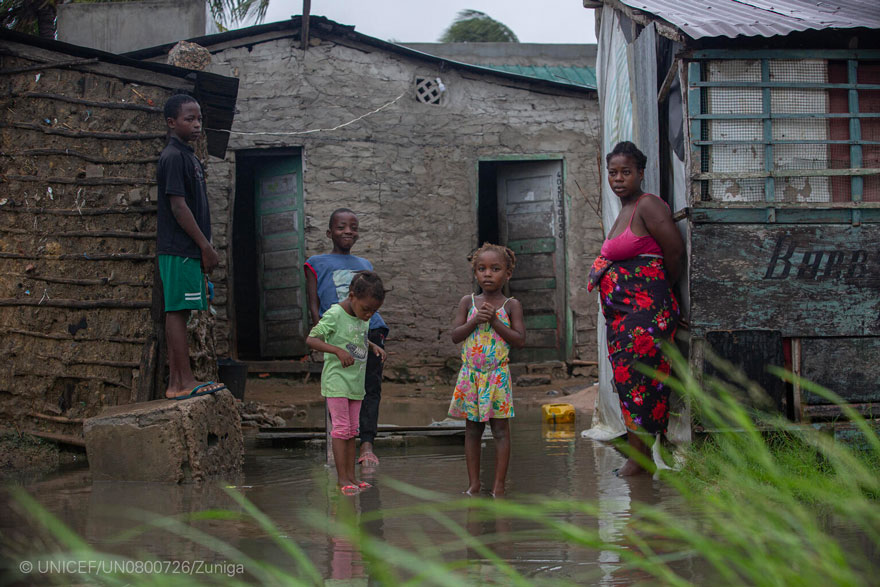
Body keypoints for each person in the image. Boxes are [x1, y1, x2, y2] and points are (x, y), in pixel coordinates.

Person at [587, 141, 684, 476]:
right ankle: (639, 454)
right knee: (628, 381)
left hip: (644, 316)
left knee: (641, 381)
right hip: (623, 318)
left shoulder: (648, 206)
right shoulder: (623, 211)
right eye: (613, 173)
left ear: (641, 173)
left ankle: (640, 459)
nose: (618, 179)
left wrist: (656, 295)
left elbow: (674, 253)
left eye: (626, 172)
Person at [305, 208, 389, 468]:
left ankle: (366, 444)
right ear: (330, 232)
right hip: (339, 333)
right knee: (338, 389)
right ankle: (337, 447)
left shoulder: (365, 265)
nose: (348, 232)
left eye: (353, 227)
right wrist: (325, 336)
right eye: (341, 227)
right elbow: (313, 303)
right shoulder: (316, 263)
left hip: (369, 330)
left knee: (368, 388)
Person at [156, 93, 225, 400]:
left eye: (199, 119)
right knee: (177, 311)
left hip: (187, 250)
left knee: (181, 311)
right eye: (189, 119)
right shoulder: (172, 157)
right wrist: (205, 247)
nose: (197, 125)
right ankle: (180, 382)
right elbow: (179, 207)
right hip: (179, 248)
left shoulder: (189, 157)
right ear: (172, 123)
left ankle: (181, 381)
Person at [448, 244, 525, 497]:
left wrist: (494, 321)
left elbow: (519, 339)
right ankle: (474, 484)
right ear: (475, 273)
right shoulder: (468, 302)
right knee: (472, 430)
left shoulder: (511, 305)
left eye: (495, 269)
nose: (487, 274)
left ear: (508, 274)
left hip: (497, 377)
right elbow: (455, 336)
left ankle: (499, 486)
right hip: (471, 376)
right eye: (482, 269)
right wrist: (475, 320)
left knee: (501, 431)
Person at [306, 272, 387, 495]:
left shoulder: (362, 316)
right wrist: (337, 351)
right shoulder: (334, 314)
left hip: (355, 384)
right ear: (352, 296)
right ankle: (342, 480)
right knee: (341, 430)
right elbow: (311, 339)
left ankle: (352, 477)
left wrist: (372, 346)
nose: (369, 315)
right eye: (366, 310)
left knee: (353, 430)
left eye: (374, 311)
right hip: (337, 382)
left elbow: (355, 336)